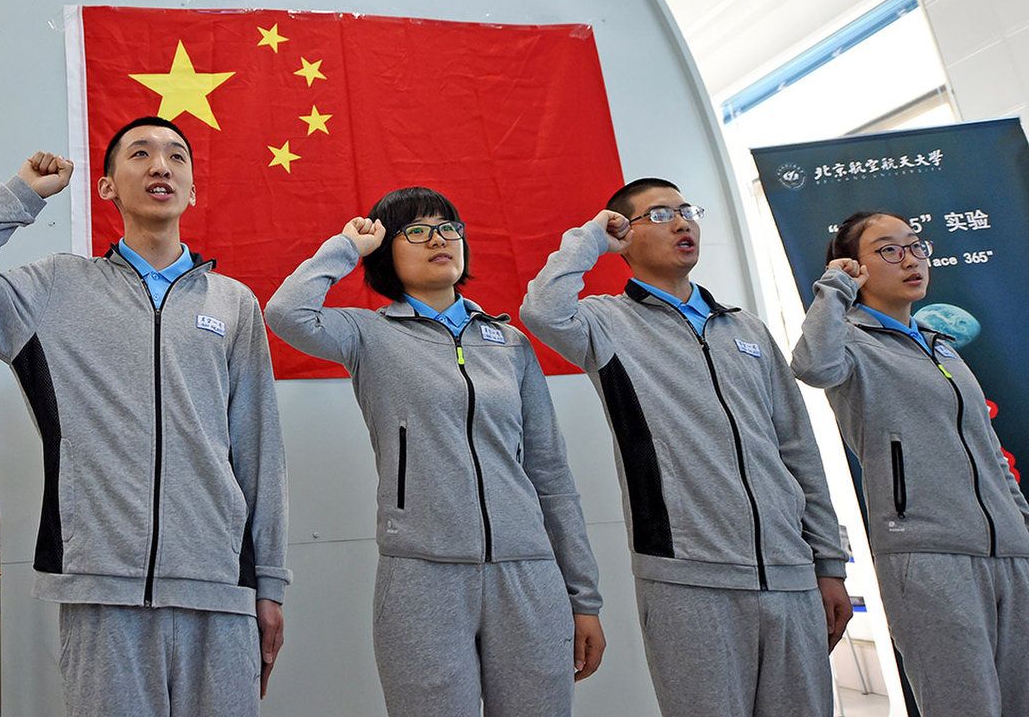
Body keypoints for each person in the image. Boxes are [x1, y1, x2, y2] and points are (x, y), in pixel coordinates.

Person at [0, 117, 290, 716]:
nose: (160, 165)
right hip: (100, 587)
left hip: (218, 586)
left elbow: (259, 450)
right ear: (107, 187)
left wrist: (268, 582)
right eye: (140, 154)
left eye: (177, 156)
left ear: (193, 189)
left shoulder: (233, 303)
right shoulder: (56, 288)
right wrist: (21, 196)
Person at [266, 187, 604, 716]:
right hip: (421, 576)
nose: (438, 240)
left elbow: (550, 475)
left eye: (449, 228)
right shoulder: (368, 334)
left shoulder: (510, 343)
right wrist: (347, 247)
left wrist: (583, 597)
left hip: (528, 573)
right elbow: (286, 313)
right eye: (417, 231)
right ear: (387, 252)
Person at [520, 178, 850, 717]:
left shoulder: (746, 328)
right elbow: (543, 311)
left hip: (791, 573)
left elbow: (797, 449)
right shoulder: (606, 323)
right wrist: (590, 239)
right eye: (659, 214)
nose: (681, 223)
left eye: (686, 210)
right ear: (624, 236)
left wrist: (827, 561)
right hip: (688, 579)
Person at [790, 211, 1029, 716]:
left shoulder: (941, 345)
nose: (911, 259)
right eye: (889, 250)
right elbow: (812, 366)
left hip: (1010, 553)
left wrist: (1020, 523)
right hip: (927, 555)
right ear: (853, 267)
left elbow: (987, 447)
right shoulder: (850, 341)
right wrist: (835, 288)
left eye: (916, 246)